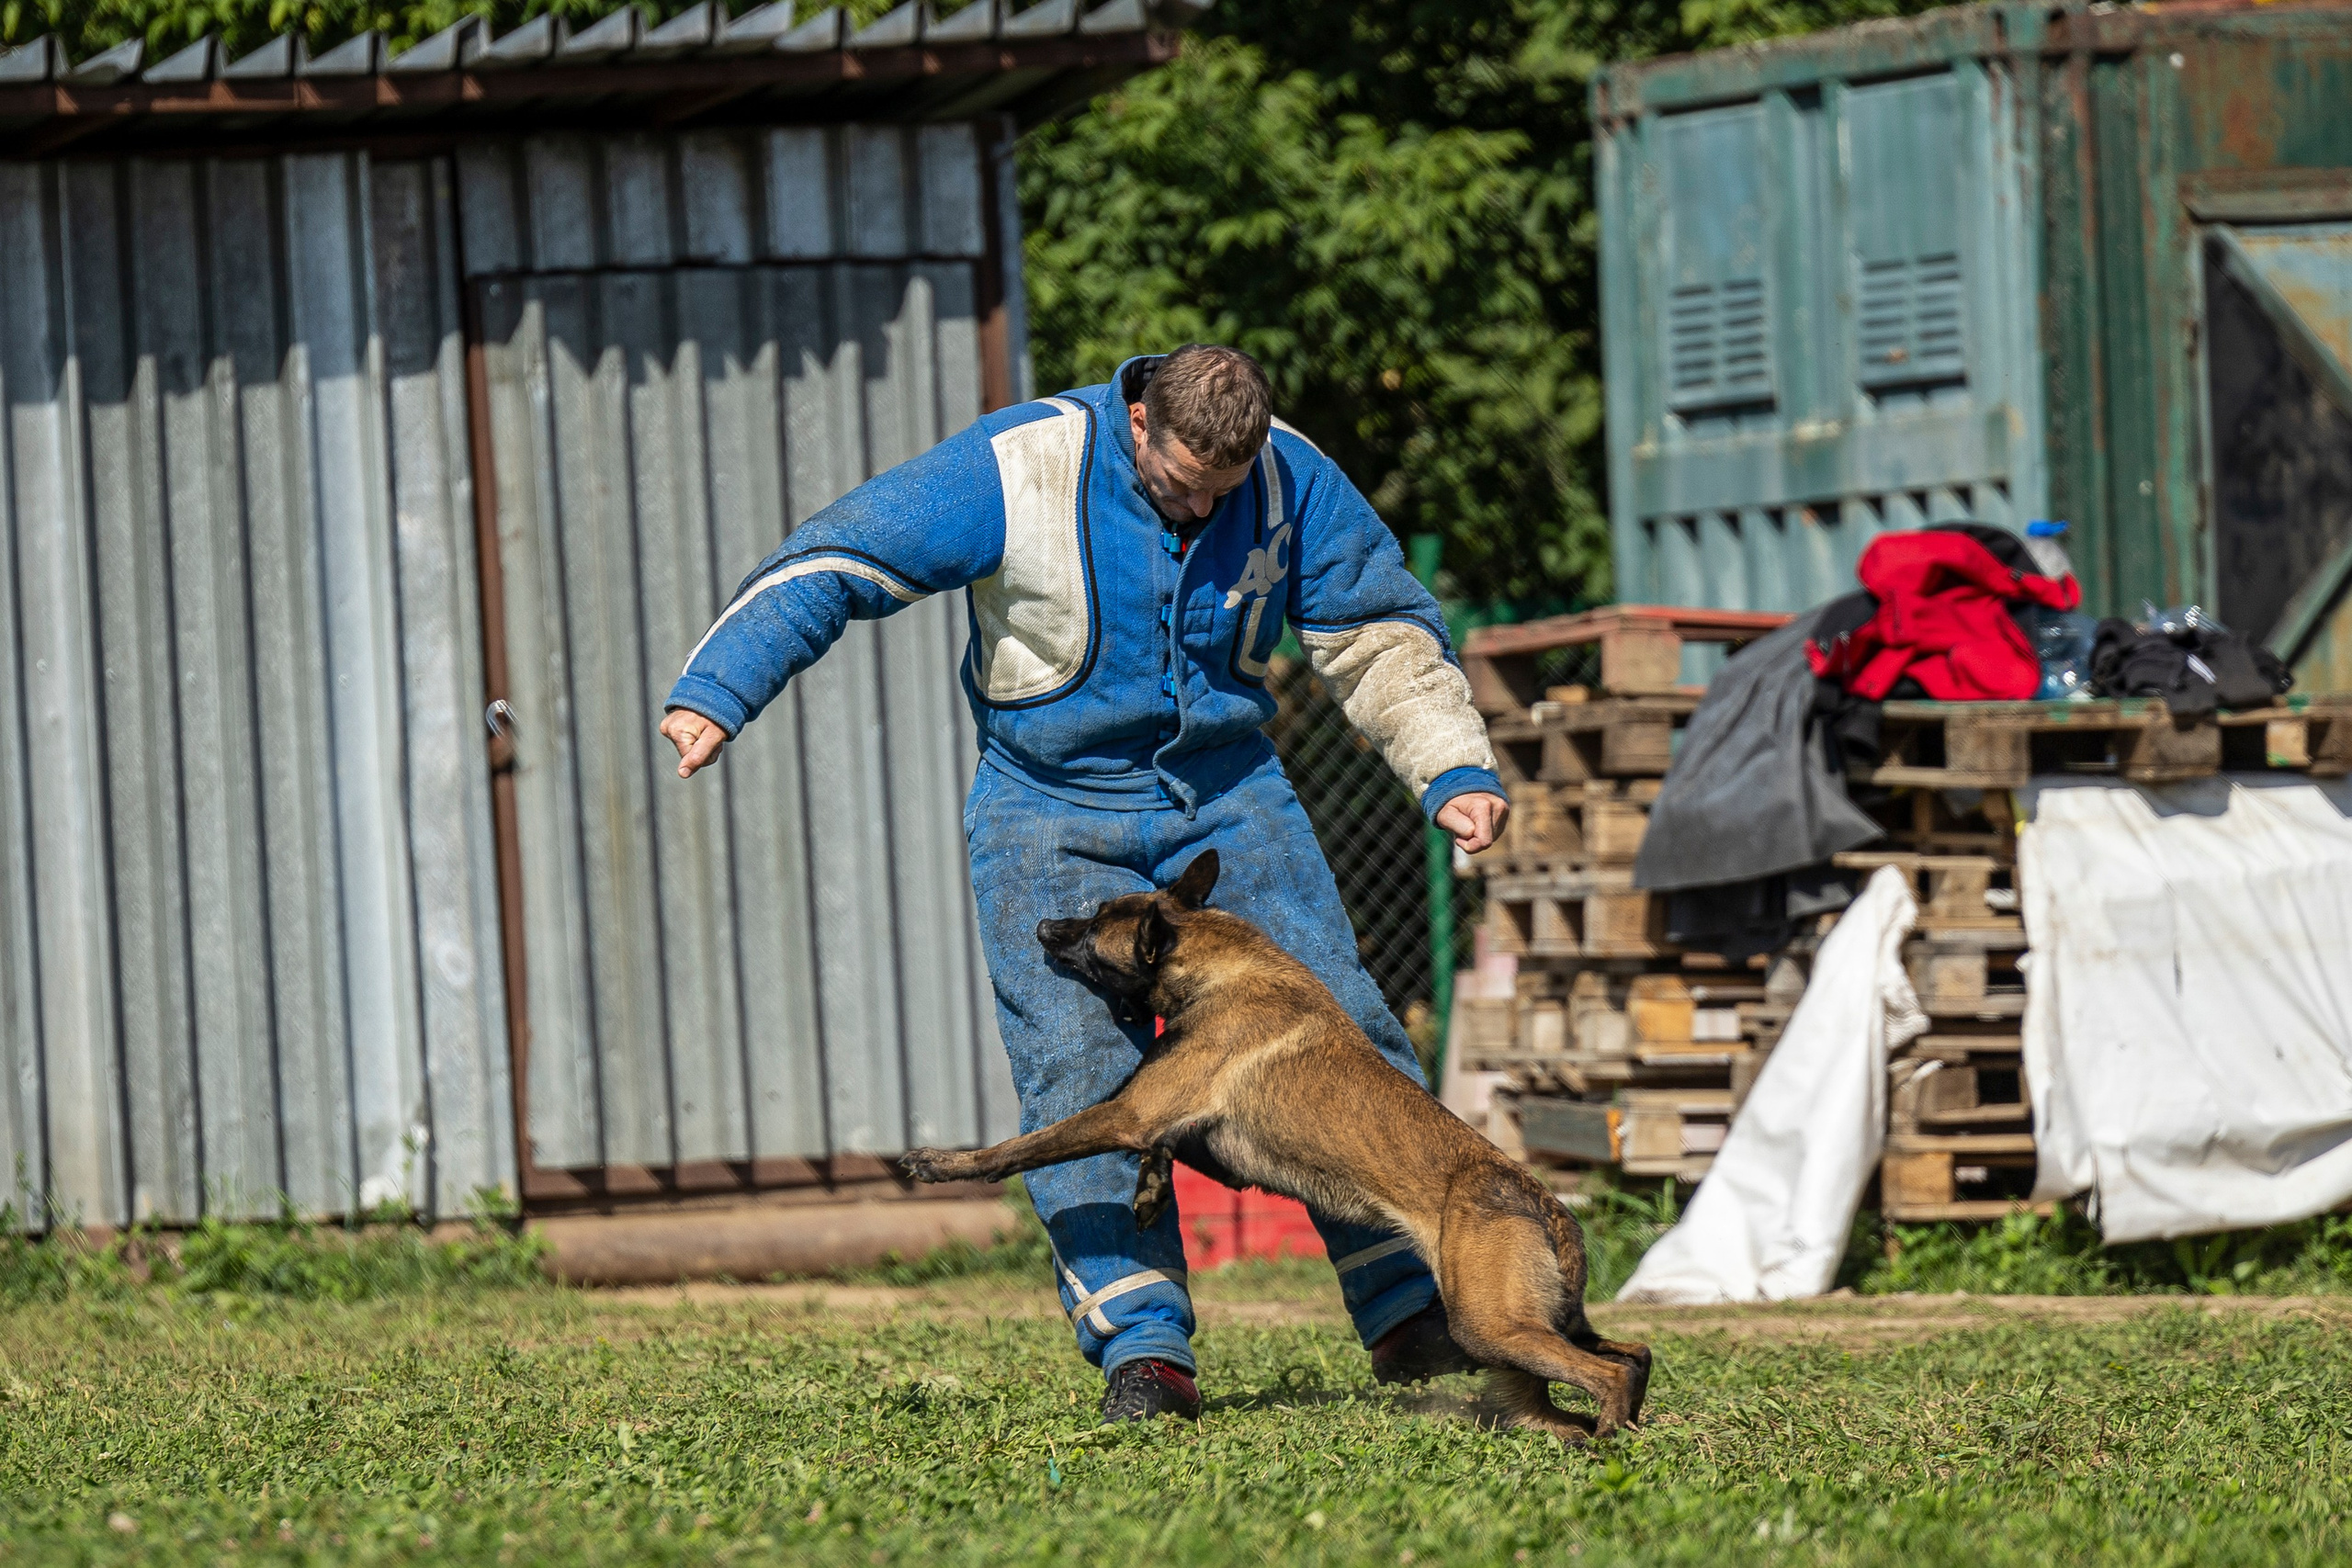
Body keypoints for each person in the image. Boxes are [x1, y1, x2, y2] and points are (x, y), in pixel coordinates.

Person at [661, 344, 1510, 1423]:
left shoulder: (1292, 476)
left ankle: (1409, 1310)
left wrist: (1451, 767)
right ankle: (1143, 1347)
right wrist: (719, 691)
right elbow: (839, 558)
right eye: (1181, 481)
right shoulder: (1020, 466)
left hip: (1229, 796)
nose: (1202, 505)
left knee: (1346, 1032)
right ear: (1140, 417)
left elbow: (1380, 632)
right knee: (1077, 1069)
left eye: (1223, 490)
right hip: (1045, 807)